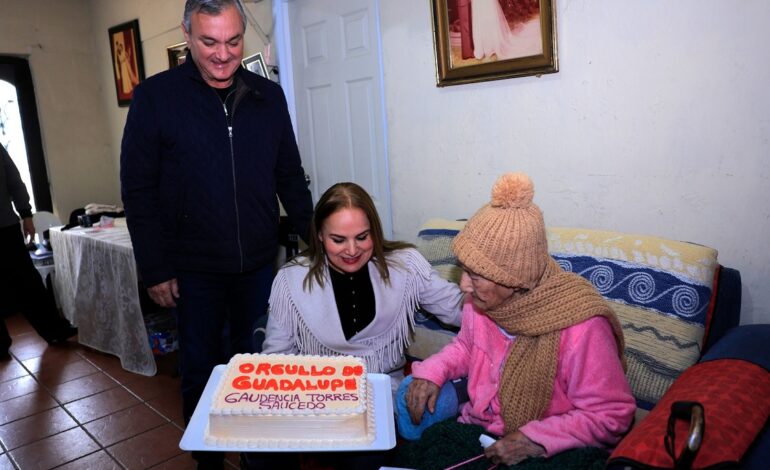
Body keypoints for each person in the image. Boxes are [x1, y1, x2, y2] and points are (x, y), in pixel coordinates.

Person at [119, 0, 313, 467]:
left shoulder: (269, 97)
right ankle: (207, 461)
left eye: (233, 41)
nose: (223, 54)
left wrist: (319, 241)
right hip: (193, 270)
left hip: (258, 265)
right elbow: (138, 190)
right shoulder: (155, 98)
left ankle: (258, 459)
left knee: (259, 368)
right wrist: (155, 267)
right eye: (209, 42)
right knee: (201, 371)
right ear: (187, 34)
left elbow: (289, 175)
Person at [399, 172, 635, 469]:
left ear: (514, 281)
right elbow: (466, 348)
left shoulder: (582, 326)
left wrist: (535, 440)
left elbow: (611, 414)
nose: (463, 286)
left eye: (475, 276)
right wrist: (432, 371)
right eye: (463, 270)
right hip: (480, 431)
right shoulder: (481, 302)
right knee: (418, 452)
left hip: (551, 445)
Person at [258, 181, 463, 469]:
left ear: (374, 232)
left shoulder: (405, 265)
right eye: (338, 240)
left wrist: (503, 301)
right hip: (318, 398)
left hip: (381, 397)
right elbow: (276, 358)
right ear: (319, 235)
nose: (352, 250)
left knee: (365, 456)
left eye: (362, 237)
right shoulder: (292, 279)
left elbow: (457, 308)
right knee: (264, 452)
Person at [0, 145, 77, 359]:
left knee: (27, 281)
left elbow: (14, 181)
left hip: (5, 227)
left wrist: (26, 214)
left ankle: (55, 330)